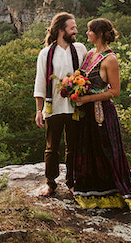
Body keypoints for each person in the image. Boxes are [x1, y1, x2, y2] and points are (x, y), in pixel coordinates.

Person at [66, 18, 131, 210]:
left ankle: (112, 192)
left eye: (90, 31)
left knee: (105, 150)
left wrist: (87, 99)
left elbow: (115, 92)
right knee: (87, 150)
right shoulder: (90, 54)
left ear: (98, 34)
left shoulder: (110, 59)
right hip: (86, 114)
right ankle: (89, 191)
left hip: (101, 114)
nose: (87, 33)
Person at [34, 12, 87, 197]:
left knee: (73, 147)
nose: (76, 31)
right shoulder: (46, 53)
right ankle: (50, 183)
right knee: (51, 148)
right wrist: (38, 110)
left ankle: (72, 182)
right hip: (53, 107)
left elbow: (89, 73)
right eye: (72, 28)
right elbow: (40, 82)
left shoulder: (80, 49)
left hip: (75, 107)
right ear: (61, 30)